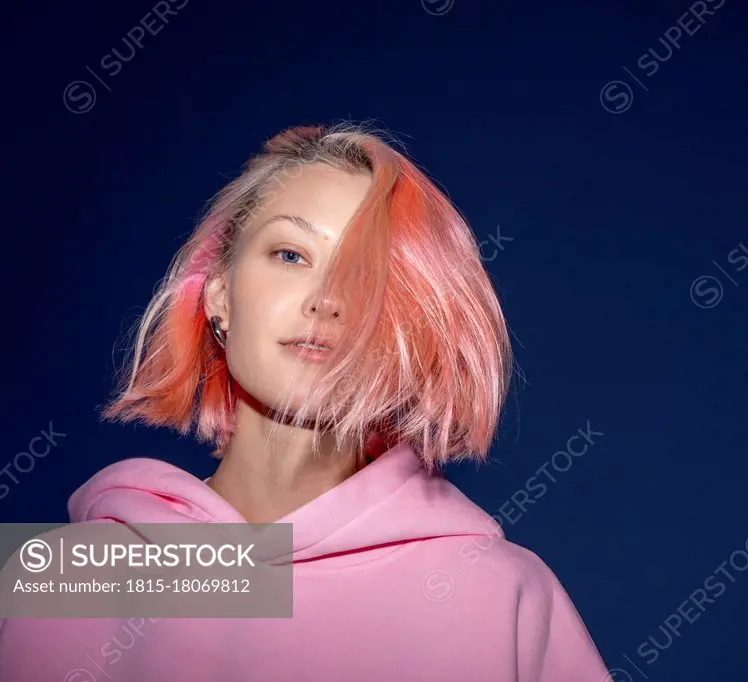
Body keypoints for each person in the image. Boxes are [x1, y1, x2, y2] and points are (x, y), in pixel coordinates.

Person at [0, 124, 610, 681]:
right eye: (291, 255)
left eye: (369, 274)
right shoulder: (62, 576)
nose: (327, 300)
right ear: (219, 297)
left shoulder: (503, 597)